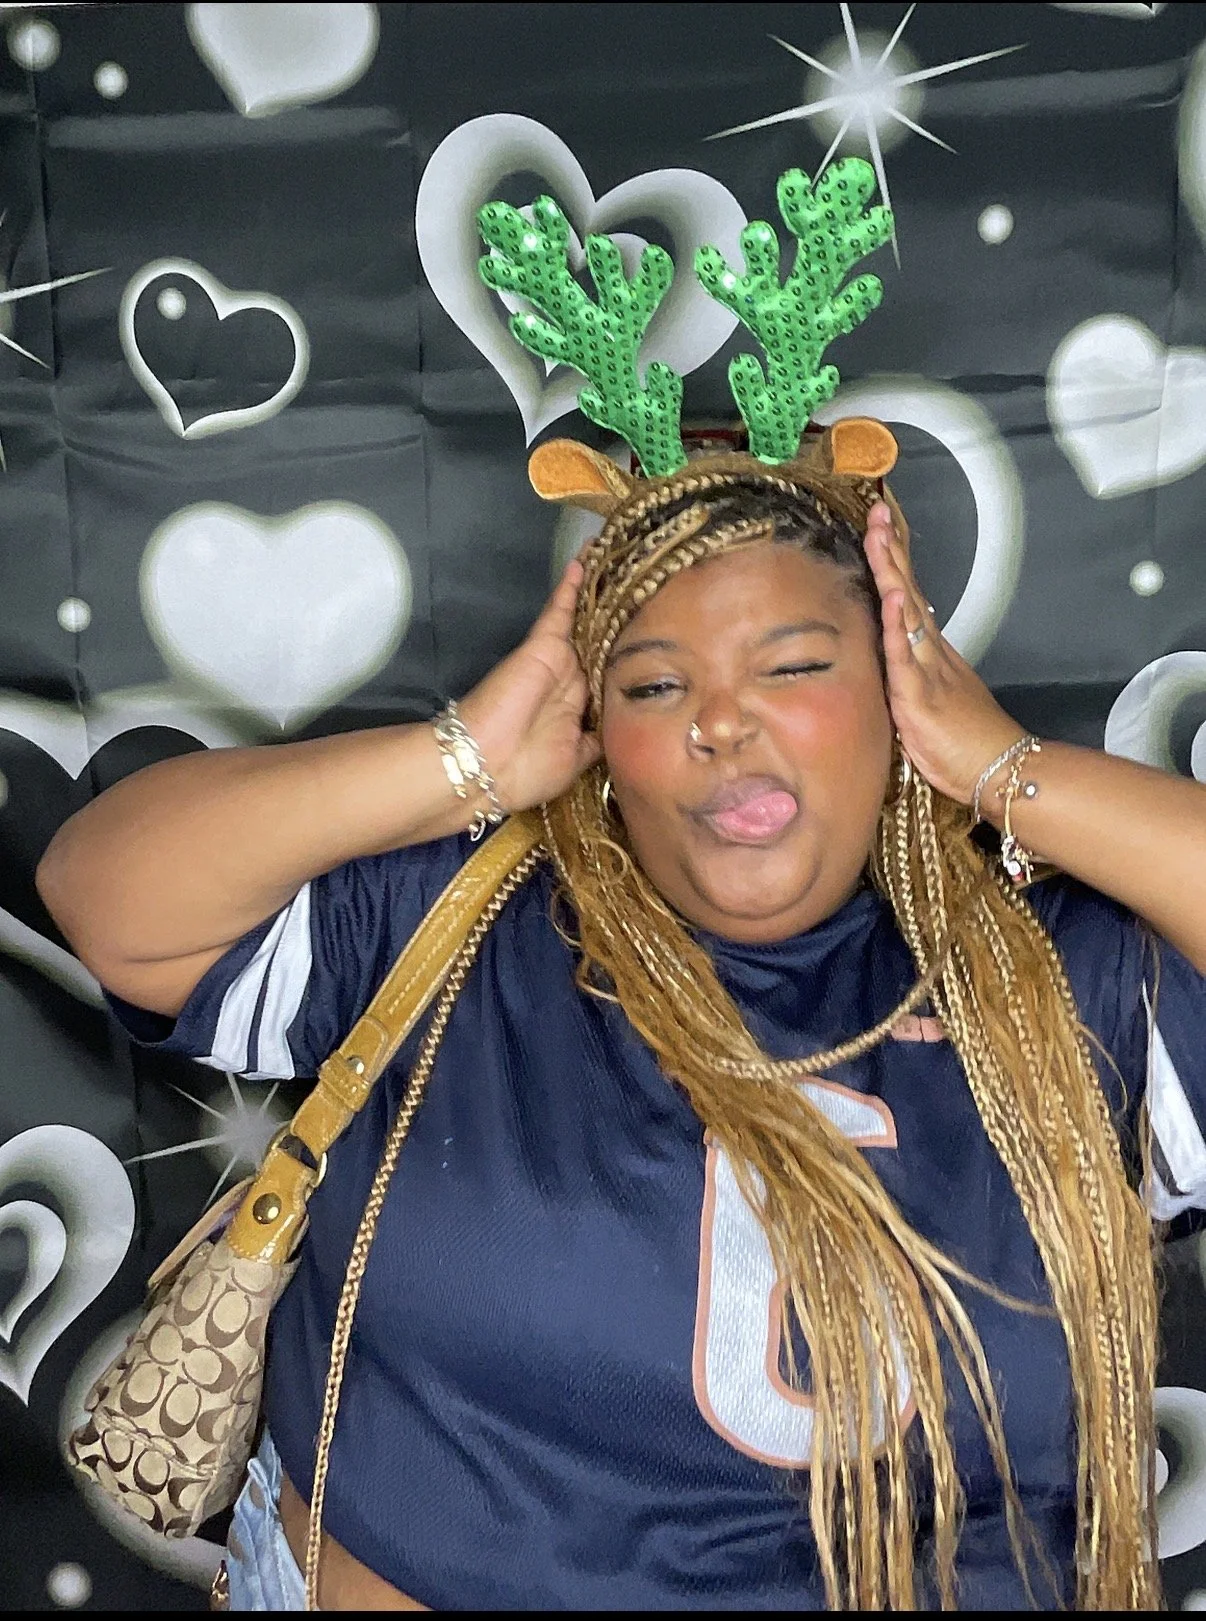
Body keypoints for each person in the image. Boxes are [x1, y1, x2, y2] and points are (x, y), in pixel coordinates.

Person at [35, 424, 1206, 1612]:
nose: (721, 720)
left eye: (794, 667)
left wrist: (1004, 763)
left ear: (906, 692)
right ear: (597, 726)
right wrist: (466, 758)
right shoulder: (466, 916)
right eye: (653, 684)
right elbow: (107, 894)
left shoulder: (1054, 979)